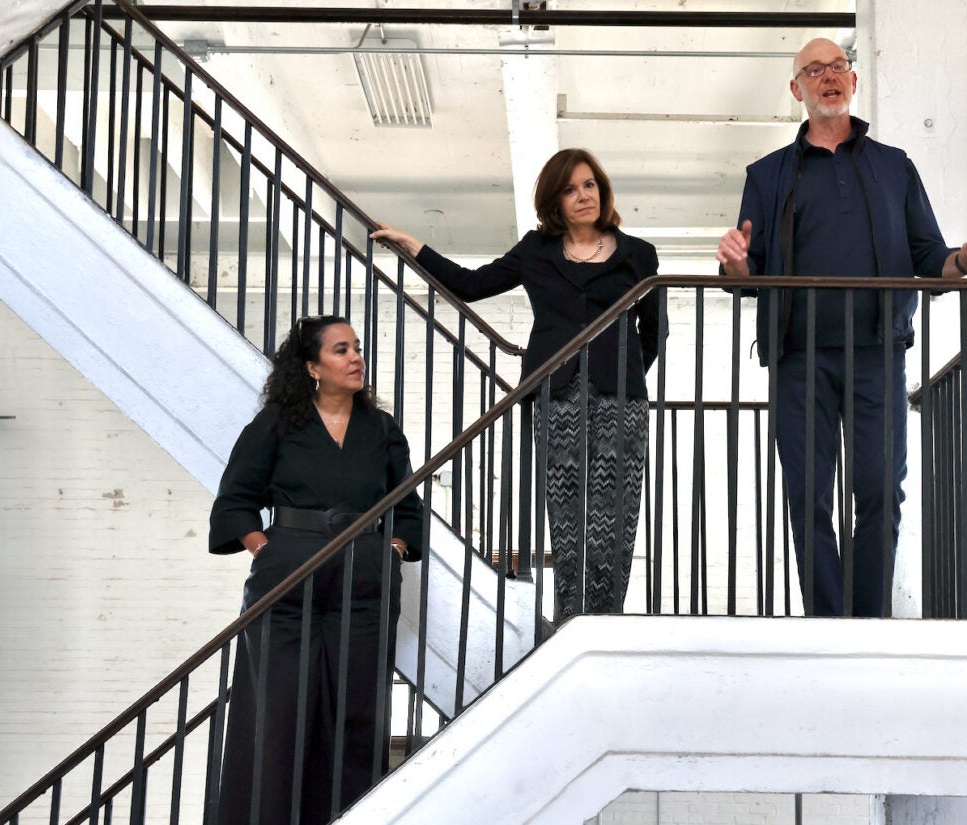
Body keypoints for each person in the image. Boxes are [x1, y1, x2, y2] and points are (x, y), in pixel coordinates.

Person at [715, 38, 967, 619]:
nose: (829, 77)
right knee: (807, 494)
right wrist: (737, 261)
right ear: (797, 90)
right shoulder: (767, 176)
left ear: (853, 82)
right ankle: (826, 619)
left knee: (878, 490)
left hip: (877, 353)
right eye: (813, 71)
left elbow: (930, 256)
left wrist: (964, 262)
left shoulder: (893, 167)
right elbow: (748, 273)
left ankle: (869, 619)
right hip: (798, 357)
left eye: (838, 67)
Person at [371, 148, 664, 623]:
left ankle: (608, 621)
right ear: (555, 200)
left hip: (620, 401)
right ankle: (571, 621)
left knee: (615, 520)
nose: (582, 195)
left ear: (602, 190)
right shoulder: (536, 250)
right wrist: (415, 248)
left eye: (589, 185)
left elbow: (653, 332)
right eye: (569, 189)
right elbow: (471, 284)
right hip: (557, 396)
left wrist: (623, 371)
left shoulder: (639, 254)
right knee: (568, 520)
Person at [207, 315, 426, 825]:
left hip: (365, 578)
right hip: (288, 574)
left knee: (357, 712)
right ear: (311, 367)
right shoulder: (277, 425)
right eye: (341, 350)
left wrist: (390, 551)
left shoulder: (381, 429)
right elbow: (236, 499)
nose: (356, 358)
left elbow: (407, 506)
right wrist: (267, 550)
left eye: (358, 348)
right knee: (278, 713)